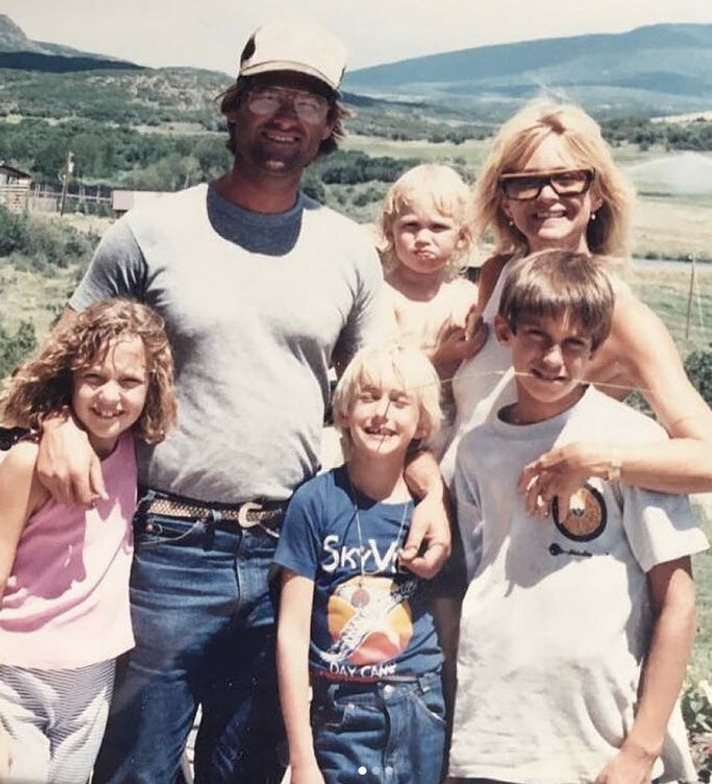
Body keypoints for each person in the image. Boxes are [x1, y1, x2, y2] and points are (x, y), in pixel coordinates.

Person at [34, 20, 451, 784]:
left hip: (288, 553)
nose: (285, 115)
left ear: (329, 126)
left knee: (251, 768)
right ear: (234, 106)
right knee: (136, 769)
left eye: (307, 102)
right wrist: (57, 423)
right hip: (164, 547)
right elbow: (54, 364)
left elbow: (389, 395)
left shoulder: (347, 251)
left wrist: (431, 493)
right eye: (268, 96)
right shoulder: (151, 232)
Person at [447, 250, 708, 784]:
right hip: (495, 734)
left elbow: (678, 602)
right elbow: (474, 582)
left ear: (596, 348)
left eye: (574, 344)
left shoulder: (634, 444)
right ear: (504, 332)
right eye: (537, 336)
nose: (553, 359)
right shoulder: (477, 449)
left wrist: (642, 748)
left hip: (598, 740)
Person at [441, 98, 712, 501]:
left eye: (567, 178)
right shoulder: (497, 275)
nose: (546, 195)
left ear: (597, 195)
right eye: (525, 182)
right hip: (449, 515)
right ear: (505, 201)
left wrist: (600, 461)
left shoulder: (621, 315)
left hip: (529, 528)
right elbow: (468, 415)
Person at [0, 299, 176, 784]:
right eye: (93, 377)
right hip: (15, 672)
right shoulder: (29, 463)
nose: (109, 396)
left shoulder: (136, 453)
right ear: (69, 378)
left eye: (129, 381)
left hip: (92, 677)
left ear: (152, 386)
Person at [275, 343, 448, 784]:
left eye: (400, 401)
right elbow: (292, 633)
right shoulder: (315, 502)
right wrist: (302, 760)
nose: (382, 413)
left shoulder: (431, 514)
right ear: (344, 411)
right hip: (342, 712)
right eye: (368, 397)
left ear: (422, 423)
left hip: (419, 704)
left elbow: (448, 620)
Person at [379, 163, 486, 457]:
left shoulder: (467, 296)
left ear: (462, 237)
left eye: (438, 227)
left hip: (456, 426)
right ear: (390, 232)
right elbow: (381, 367)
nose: (423, 238)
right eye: (410, 226)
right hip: (392, 425)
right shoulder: (384, 295)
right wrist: (441, 356)